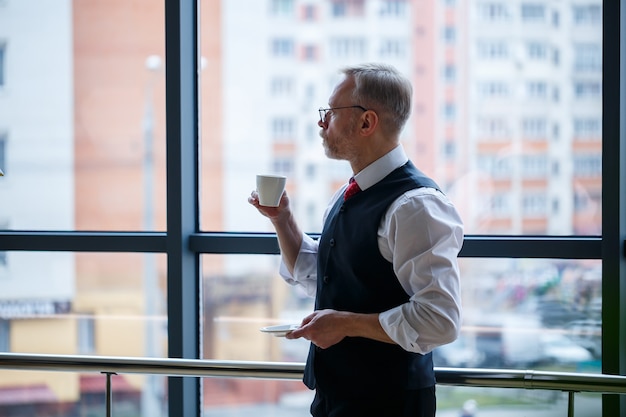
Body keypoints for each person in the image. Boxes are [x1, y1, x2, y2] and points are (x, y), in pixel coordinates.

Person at [249, 63, 463, 417]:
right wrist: (282, 220)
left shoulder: (416, 206)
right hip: (336, 396)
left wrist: (345, 324)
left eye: (331, 113)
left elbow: (439, 320)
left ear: (367, 122)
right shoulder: (348, 194)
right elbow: (325, 276)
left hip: (389, 404)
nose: (322, 123)